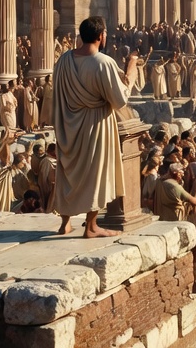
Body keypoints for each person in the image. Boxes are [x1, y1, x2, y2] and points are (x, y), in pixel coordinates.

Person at [51, 16, 140, 238]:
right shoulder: (104, 62)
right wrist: (131, 71)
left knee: (67, 172)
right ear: (101, 36)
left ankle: (65, 223)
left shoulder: (63, 60)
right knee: (95, 174)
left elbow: (58, 93)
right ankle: (91, 227)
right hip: (96, 125)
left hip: (68, 123)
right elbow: (120, 100)